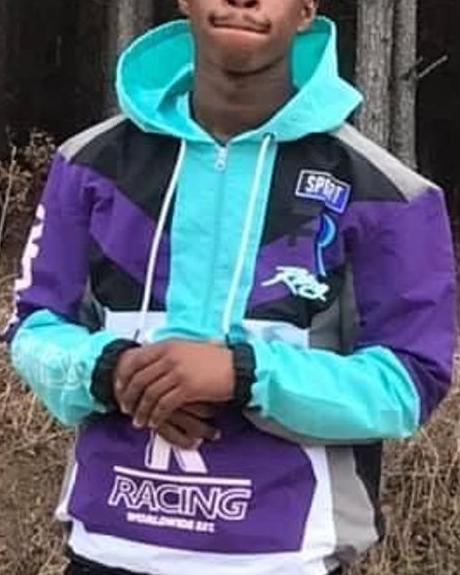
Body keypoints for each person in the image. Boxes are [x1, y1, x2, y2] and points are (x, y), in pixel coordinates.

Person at [5, 0, 457, 574]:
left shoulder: (391, 193)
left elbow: (409, 384)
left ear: (306, 8)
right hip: (106, 547)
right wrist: (115, 372)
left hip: (287, 556)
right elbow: (33, 327)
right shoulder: (88, 163)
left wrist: (242, 375)